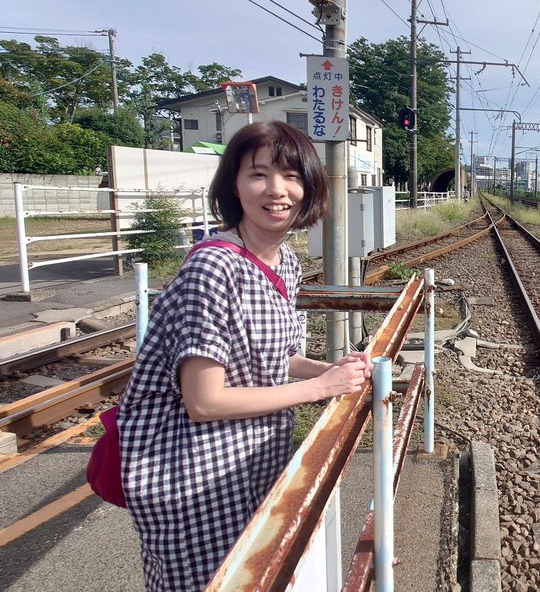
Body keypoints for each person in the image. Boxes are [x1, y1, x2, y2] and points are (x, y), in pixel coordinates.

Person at [118, 121, 371, 591]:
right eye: (258, 175)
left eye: (291, 175)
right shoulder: (213, 266)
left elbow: (277, 356)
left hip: (255, 463)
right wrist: (318, 389)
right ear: (234, 185)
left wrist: (325, 369)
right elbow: (204, 401)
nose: (277, 190)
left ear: (309, 186)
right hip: (193, 480)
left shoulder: (285, 262)